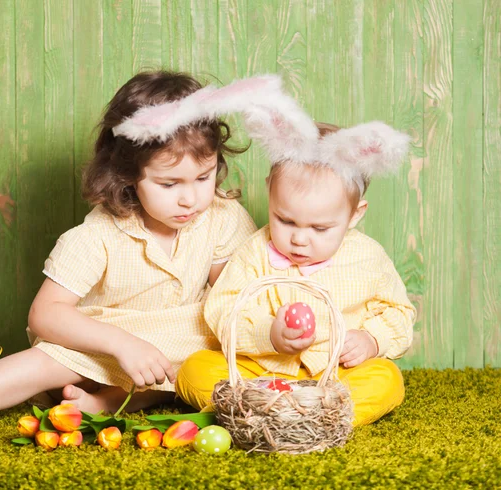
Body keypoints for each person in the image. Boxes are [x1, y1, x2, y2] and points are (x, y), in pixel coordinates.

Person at [0, 71, 259, 443]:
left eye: (203, 177)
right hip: (96, 348)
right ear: (128, 174)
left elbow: (232, 296)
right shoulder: (98, 235)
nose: (191, 199)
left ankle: (102, 404)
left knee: (210, 344)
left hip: (170, 349)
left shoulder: (221, 215)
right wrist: (122, 344)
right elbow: (45, 315)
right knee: (47, 361)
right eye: (169, 184)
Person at [175, 82, 417, 427]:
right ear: (270, 197)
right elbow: (223, 307)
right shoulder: (254, 251)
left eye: (320, 229)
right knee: (194, 370)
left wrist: (372, 339)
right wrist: (267, 335)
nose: (300, 240)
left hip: (335, 377)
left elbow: (398, 311)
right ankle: (265, 409)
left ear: (355, 215)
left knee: (387, 380)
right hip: (262, 373)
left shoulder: (368, 257)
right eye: (285, 220)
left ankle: (324, 416)